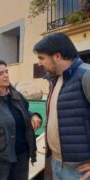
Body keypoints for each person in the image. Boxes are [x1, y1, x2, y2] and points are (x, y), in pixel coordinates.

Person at [33, 32, 90, 180]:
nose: (39, 63)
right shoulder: (55, 80)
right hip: (57, 163)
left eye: (41, 58)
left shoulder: (86, 75)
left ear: (57, 56)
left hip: (80, 169)